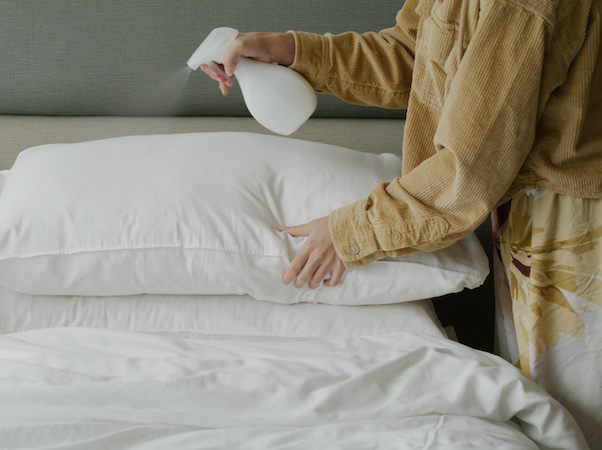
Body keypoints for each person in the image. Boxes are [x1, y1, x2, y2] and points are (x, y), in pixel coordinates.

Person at [200, 0, 602, 446]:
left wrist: (351, 231)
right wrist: (290, 50)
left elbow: (468, 168)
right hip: (524, 215)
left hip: (577, 224)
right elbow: (420, 57)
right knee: (550, 417)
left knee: (577, 421)